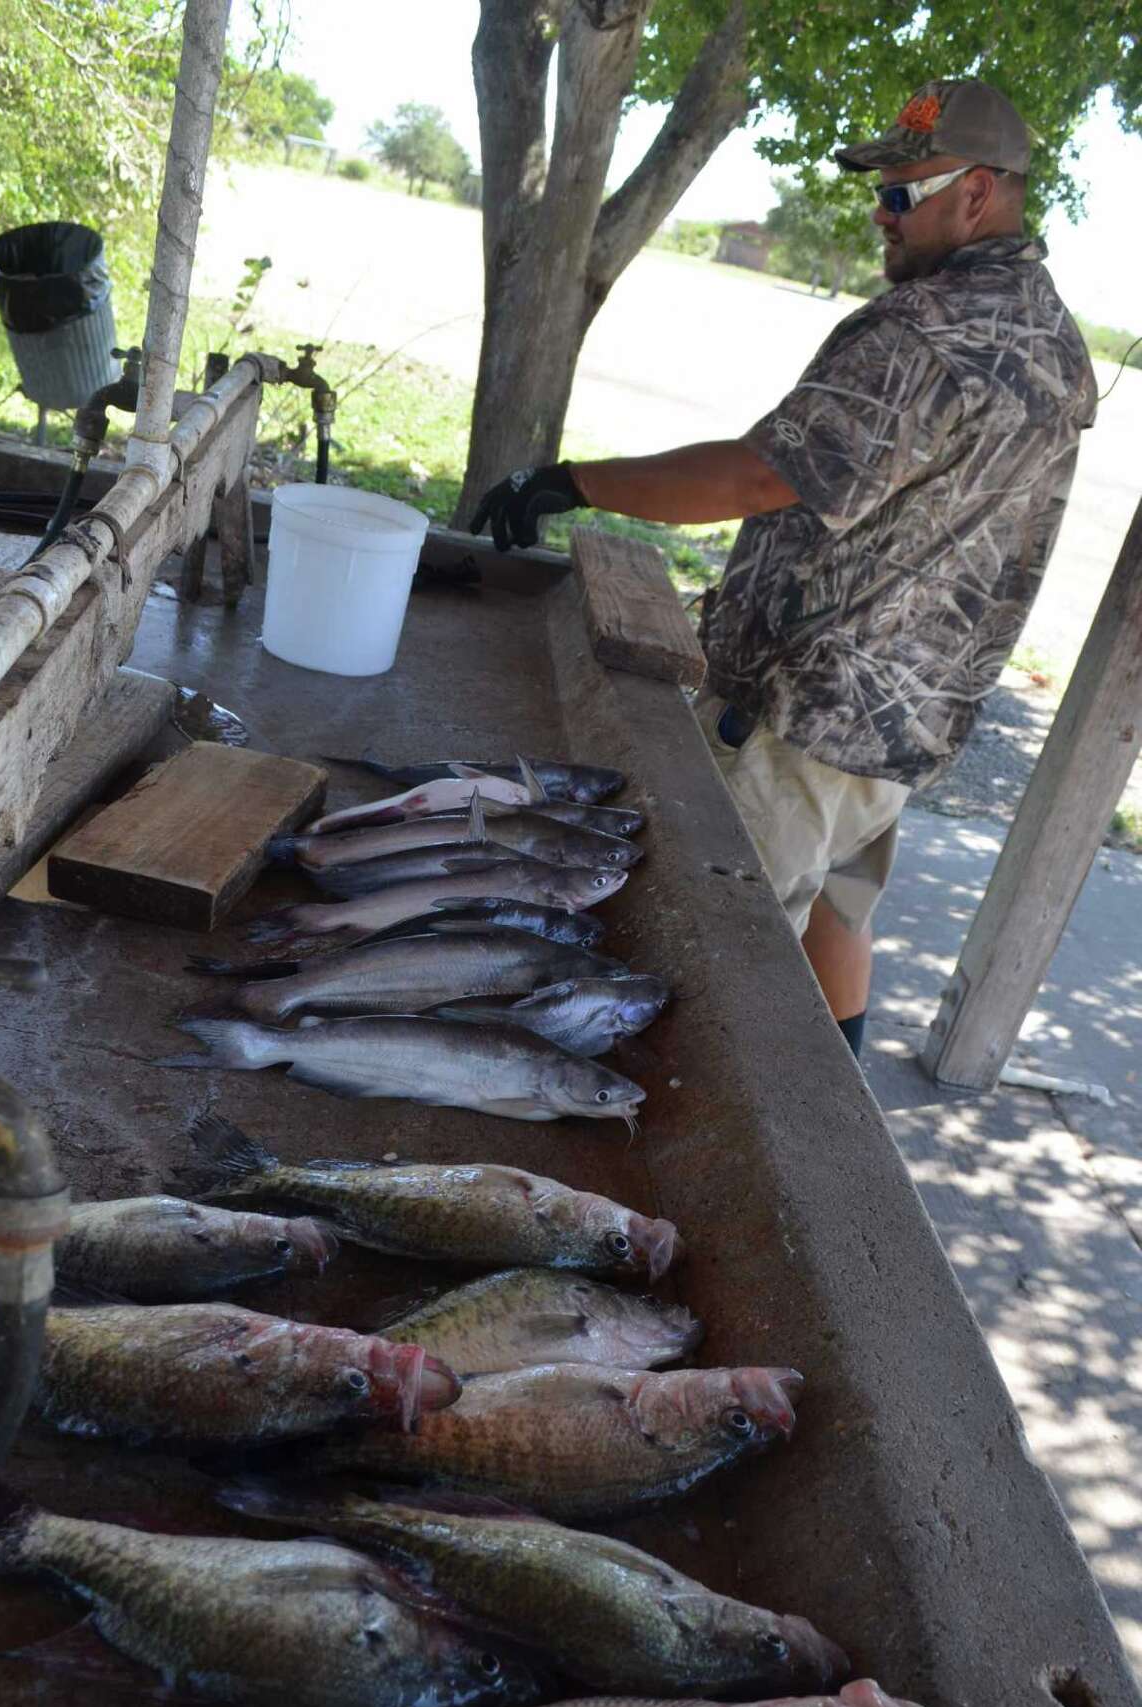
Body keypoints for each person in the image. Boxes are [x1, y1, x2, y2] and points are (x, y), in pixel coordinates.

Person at [470, 79, 1097, 1060]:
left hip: (802, 726)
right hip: (900, 732)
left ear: (978, 193)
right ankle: (840, 1138)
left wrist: (567, 480)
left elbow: (762, 474)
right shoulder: (1054, 340)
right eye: (877, 191)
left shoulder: (919, 332)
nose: (880, 216)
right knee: (838, 916)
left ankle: (707, 1143)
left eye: (901, 194)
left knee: (698, 954)